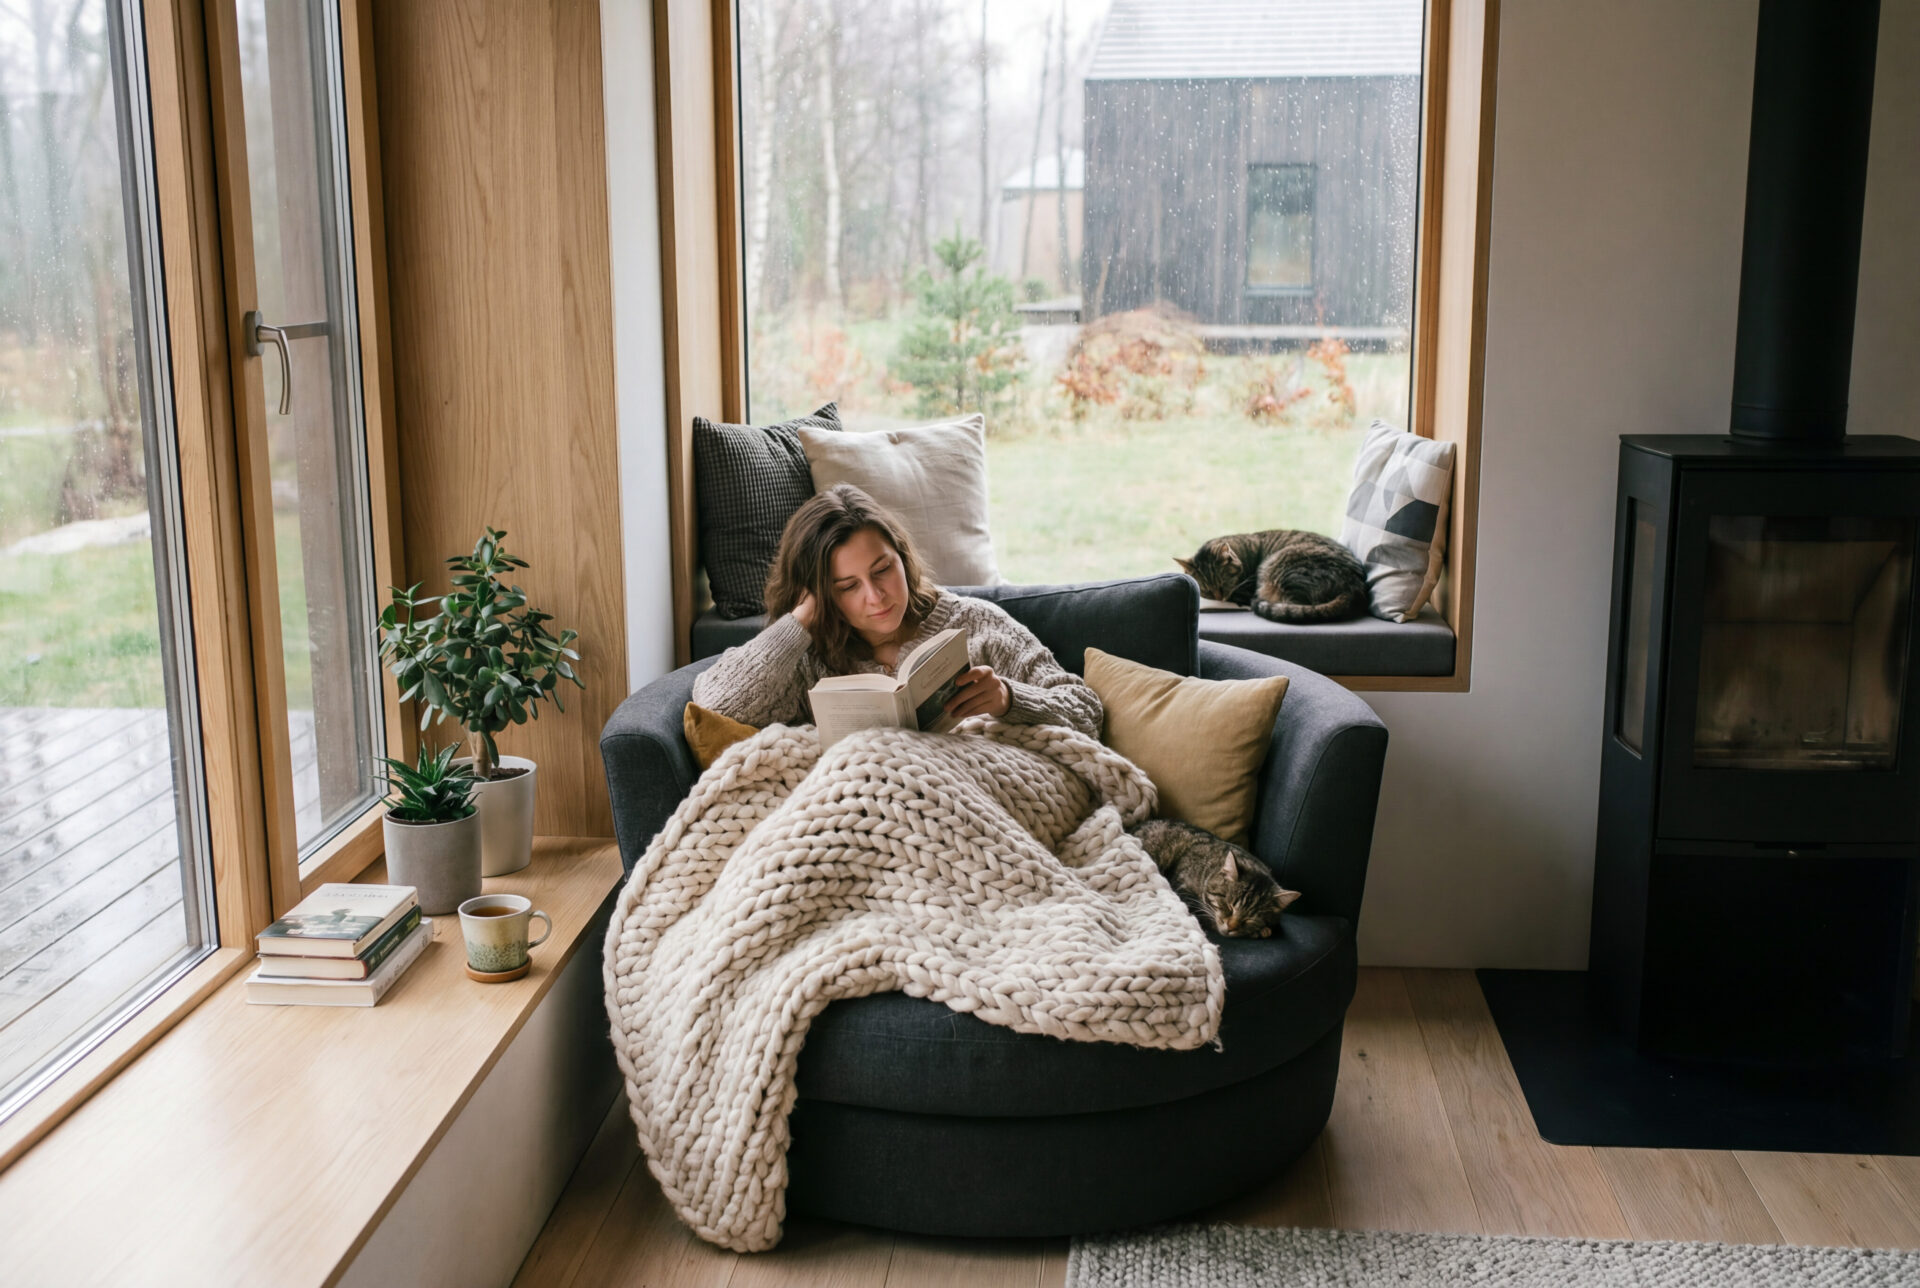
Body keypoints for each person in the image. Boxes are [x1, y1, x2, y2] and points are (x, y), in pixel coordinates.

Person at [691, 483, 1102, 738]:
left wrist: (1009, 698)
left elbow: (1086, 713)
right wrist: (801, 620)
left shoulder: (977, 623)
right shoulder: (807, 661)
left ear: (902, 558)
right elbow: (716, 706)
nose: (875, 596)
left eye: (883, 569)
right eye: (848, 586)